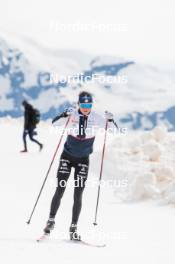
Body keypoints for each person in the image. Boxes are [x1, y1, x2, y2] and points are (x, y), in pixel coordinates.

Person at [43, 91, 114, 240]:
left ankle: (73, 227)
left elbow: (113, 131)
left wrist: (111, 120)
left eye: (89, 105)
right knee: (60, 188)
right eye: (83, 105)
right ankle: (51, 220)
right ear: (79, 104)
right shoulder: (72, 114)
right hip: (67, 158)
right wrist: (64, 115)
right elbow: (54, 124)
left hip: (83, 160)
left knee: (78, 194)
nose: (86, 107)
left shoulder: (97, 117)